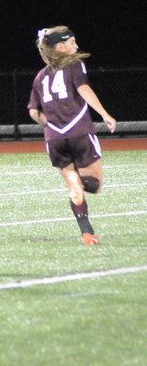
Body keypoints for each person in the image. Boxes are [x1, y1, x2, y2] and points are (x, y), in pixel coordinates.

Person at [27, 26, 117, 245]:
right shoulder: (74, 65)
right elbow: (84, 89)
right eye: (72, 43)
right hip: (79, 131)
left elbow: (34, 112)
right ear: (60, 47)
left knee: (73, 186)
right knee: (95, 185)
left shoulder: (39, 77)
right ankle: (79, 183)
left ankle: (87, 232)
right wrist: (105, 114)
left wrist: (52, 125)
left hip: (54, 138)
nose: (76, 47)